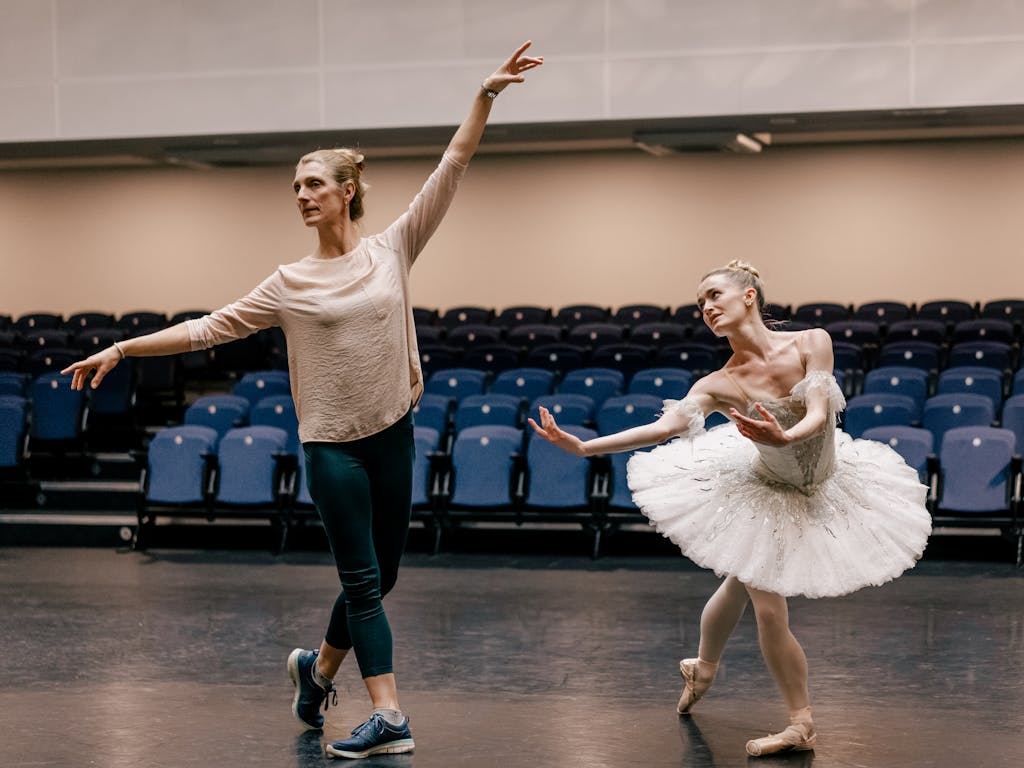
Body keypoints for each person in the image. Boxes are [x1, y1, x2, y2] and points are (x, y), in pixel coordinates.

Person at [62, 41, 543, 760]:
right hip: (330, 446)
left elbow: (454, 165)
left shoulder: (393, 248)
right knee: (363, 582)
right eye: (295, 186)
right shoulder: (287, 281)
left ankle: (316, 676)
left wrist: (486, 93)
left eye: (313, 183)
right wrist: (124, 347)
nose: (301, 195)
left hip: (392, 434)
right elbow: (208, 327)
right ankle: (389, 715)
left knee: (387, 573)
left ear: (348, 189)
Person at [529, 261, 931, 757]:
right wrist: (586, 448)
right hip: (766, 491)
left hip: (827, 477)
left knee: (739, 578)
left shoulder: (812, 342)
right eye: (700, 305)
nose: (707, 308)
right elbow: (664, 428)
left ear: (750, 295)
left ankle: (702, 667)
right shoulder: (718, 383)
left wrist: (785, 435)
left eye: (714, 295)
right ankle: (801, 723)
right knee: (768, 605)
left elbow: (821, 412)